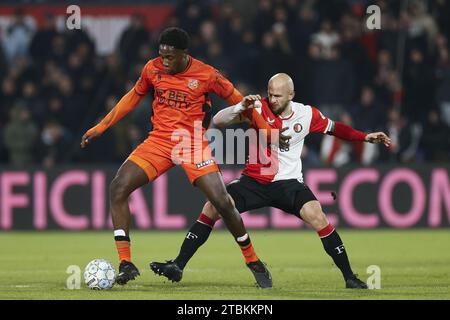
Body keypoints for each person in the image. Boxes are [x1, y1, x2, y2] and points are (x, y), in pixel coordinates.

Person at [81, 28, 286, 288]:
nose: (164, 61)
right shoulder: (152, 69)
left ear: (184, 54)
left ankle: (253, 261)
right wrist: (101, 127)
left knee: (222, 202)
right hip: (159, 141)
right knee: (118, 187)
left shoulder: (207, 74)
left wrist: (267, 133)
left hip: (192, 144)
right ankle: (126, 263)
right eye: (161, 55)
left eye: (170, 57)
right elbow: (132, 98)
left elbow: (240, 102)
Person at [150, 73, 391, 289]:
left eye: (277, 95)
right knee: (212, 206)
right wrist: (239, 107)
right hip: (253, 182)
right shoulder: (256, 107)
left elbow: (335, 128)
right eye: (270, 94)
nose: (272, 99)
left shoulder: (307, 114)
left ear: (291, 95)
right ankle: (178, 265)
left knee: (318, 216)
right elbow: (220, 121)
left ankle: (349, 277)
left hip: (289, 184)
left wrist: (365, 137)